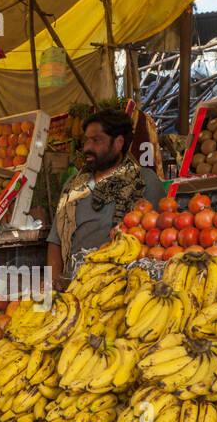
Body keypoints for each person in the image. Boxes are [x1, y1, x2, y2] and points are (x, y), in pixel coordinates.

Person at [46, 109, 163, 289]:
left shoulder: (145, 182)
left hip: (122, 289)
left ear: (118, 143)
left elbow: (158, 241)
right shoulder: (73, 186)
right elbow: (55, 241)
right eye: (86, 140)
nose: (87, 147)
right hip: (74, 288)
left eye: (96, 140)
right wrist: (51, 286)